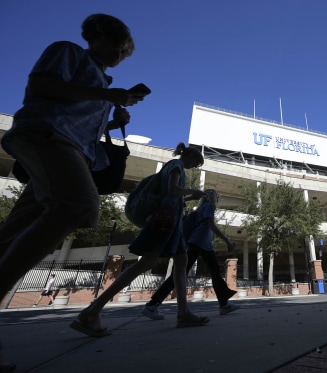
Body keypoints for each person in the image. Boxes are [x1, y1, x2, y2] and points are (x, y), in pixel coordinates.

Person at [0, 13, 142, 368]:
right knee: (79, 205)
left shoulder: (101, 81)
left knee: (14, 231)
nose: (120, 56)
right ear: (101, 36)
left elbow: (80, 122)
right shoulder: (68, 52)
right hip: (48, 136)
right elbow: (41, 88)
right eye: (120, 48)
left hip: (68, 146)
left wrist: (113, 118)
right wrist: (106, 94)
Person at [70, 143, 208, 337]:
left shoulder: (174, 167)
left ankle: (183, 311)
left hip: (171, 223)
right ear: (190, 157)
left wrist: (189, 197)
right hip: (164, 222)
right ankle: (91, 312)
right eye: (196, 162)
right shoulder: (176, 166)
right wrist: (195, 192)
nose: (195, 166)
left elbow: (171, 196)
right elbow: (172, 189)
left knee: (181, 259)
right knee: (147, 263)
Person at [142, 189, 238, 320]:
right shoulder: (209, 206)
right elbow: (211, 225)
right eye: (217, 195)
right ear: (210, 196)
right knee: (180, 274)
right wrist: (227, 240)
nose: (218, 197)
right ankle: (151, 305)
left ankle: (224, 304)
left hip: (202, 244)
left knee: (214, 272)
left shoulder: (201, 208)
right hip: (199, 243)